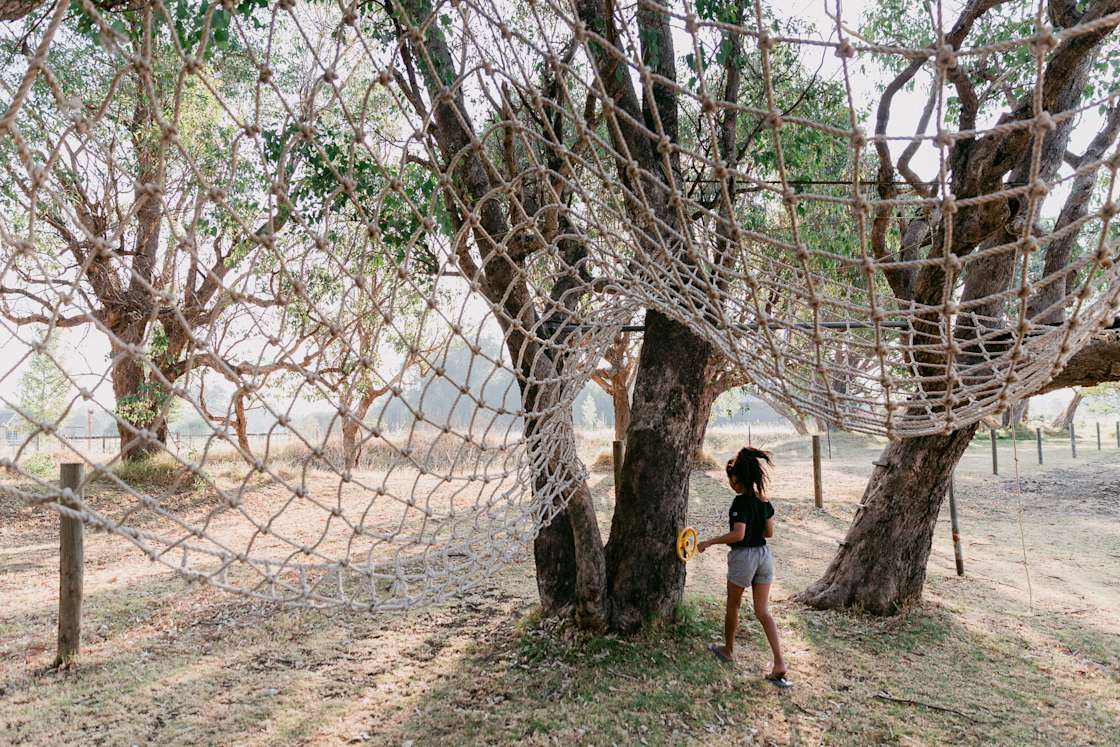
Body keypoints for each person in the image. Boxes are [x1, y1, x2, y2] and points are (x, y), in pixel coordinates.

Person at [698, 446, 790, 688]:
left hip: (744, 557)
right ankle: (779, 662)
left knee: (733, 605)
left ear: (738, 478)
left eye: (731, 479)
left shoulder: (739, 503)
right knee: (763, 612)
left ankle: (728, 650)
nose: (731, 484)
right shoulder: (764, 502)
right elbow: (769, 532)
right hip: (764, 556)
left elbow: (738, 535)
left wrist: (710, 541)